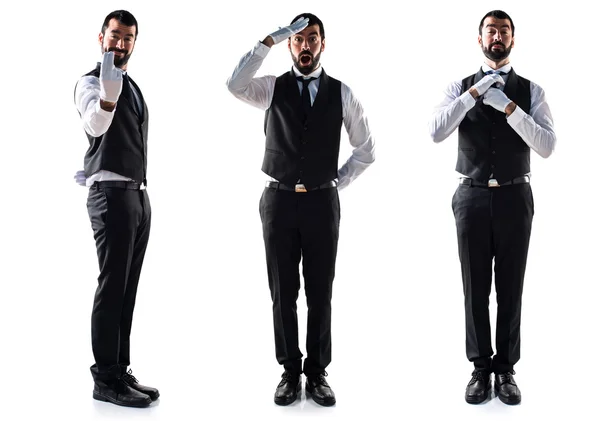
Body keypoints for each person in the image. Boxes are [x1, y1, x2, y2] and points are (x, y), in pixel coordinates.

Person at [226, 13, 375, 407]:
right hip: (277, 200)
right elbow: (234, 84)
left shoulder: (342, 93)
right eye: (297, 39)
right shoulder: (272, 88)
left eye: (312, 38)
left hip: (322, 202)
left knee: (320, 291)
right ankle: (290, 372)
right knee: (283, 291)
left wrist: (334, 182)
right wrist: (267, 42)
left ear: (322, 44)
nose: (305, 45)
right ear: (290, 45)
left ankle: (318, 373)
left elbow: (366, 150)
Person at [429, 10, 556, 405]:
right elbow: (436, 131)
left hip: (516, 196)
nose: (496, 36)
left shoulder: (532, 92)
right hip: (470, 195)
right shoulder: (458, 86)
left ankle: (506, 370)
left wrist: (509, 107)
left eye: (503, 31)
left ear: (512, 40)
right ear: (479, 39)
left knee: (511, 287)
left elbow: (547, 145)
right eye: (490, 30)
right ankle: (480, 369)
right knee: (475, 287)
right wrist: (474, 94)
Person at [73, 9, 159, 408]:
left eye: (128, 38)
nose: (120, 43)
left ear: (134, 43)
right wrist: (109, 95)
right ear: (101, 38)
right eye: (114, 36)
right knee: (112, 287)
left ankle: (120, 368)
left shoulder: (133, 85)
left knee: (127, 289)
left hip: (137, 196)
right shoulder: (91, 83)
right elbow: (95, 125)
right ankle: (104, 378)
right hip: (112, 197)